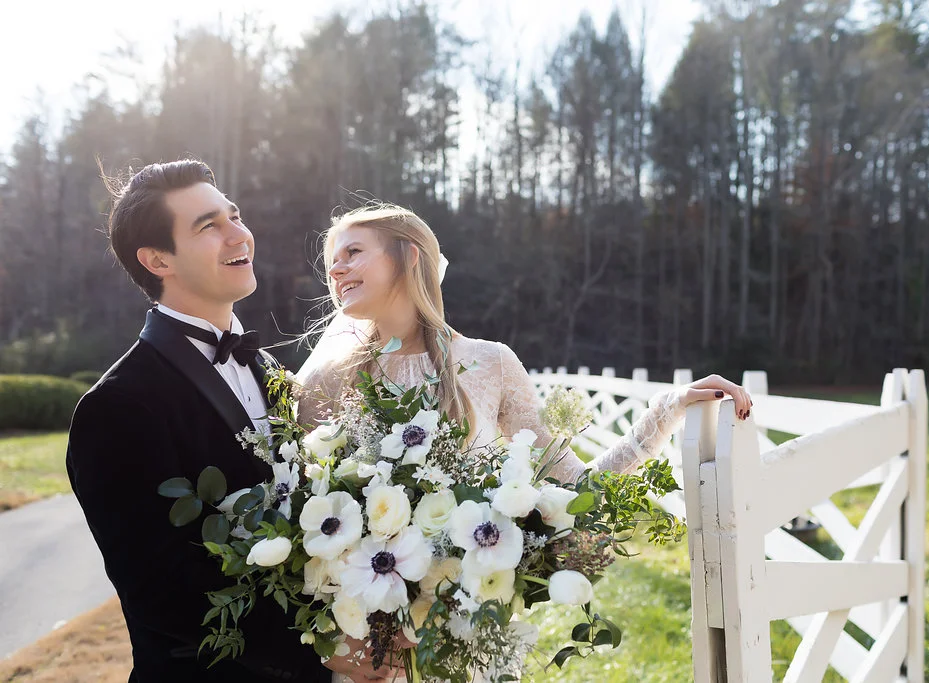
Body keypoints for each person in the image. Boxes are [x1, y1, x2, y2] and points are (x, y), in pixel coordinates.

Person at [297, 203, 754, 678]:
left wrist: (667, 410)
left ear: (409, 256)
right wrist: (340, 644)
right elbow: (299, 515)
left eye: (353, 251)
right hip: (369, 647)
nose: (335, 267)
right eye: (332, 258)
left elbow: (575, 485)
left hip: (468, 634)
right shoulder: (330, 378)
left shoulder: (489, 363)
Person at [66, 159, 377, 682]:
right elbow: (158, 589)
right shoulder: (116, 407)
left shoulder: (274, 372)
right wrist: (319, 650)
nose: (240, 235)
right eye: (209, 225)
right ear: (157, 259)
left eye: (235, 216)